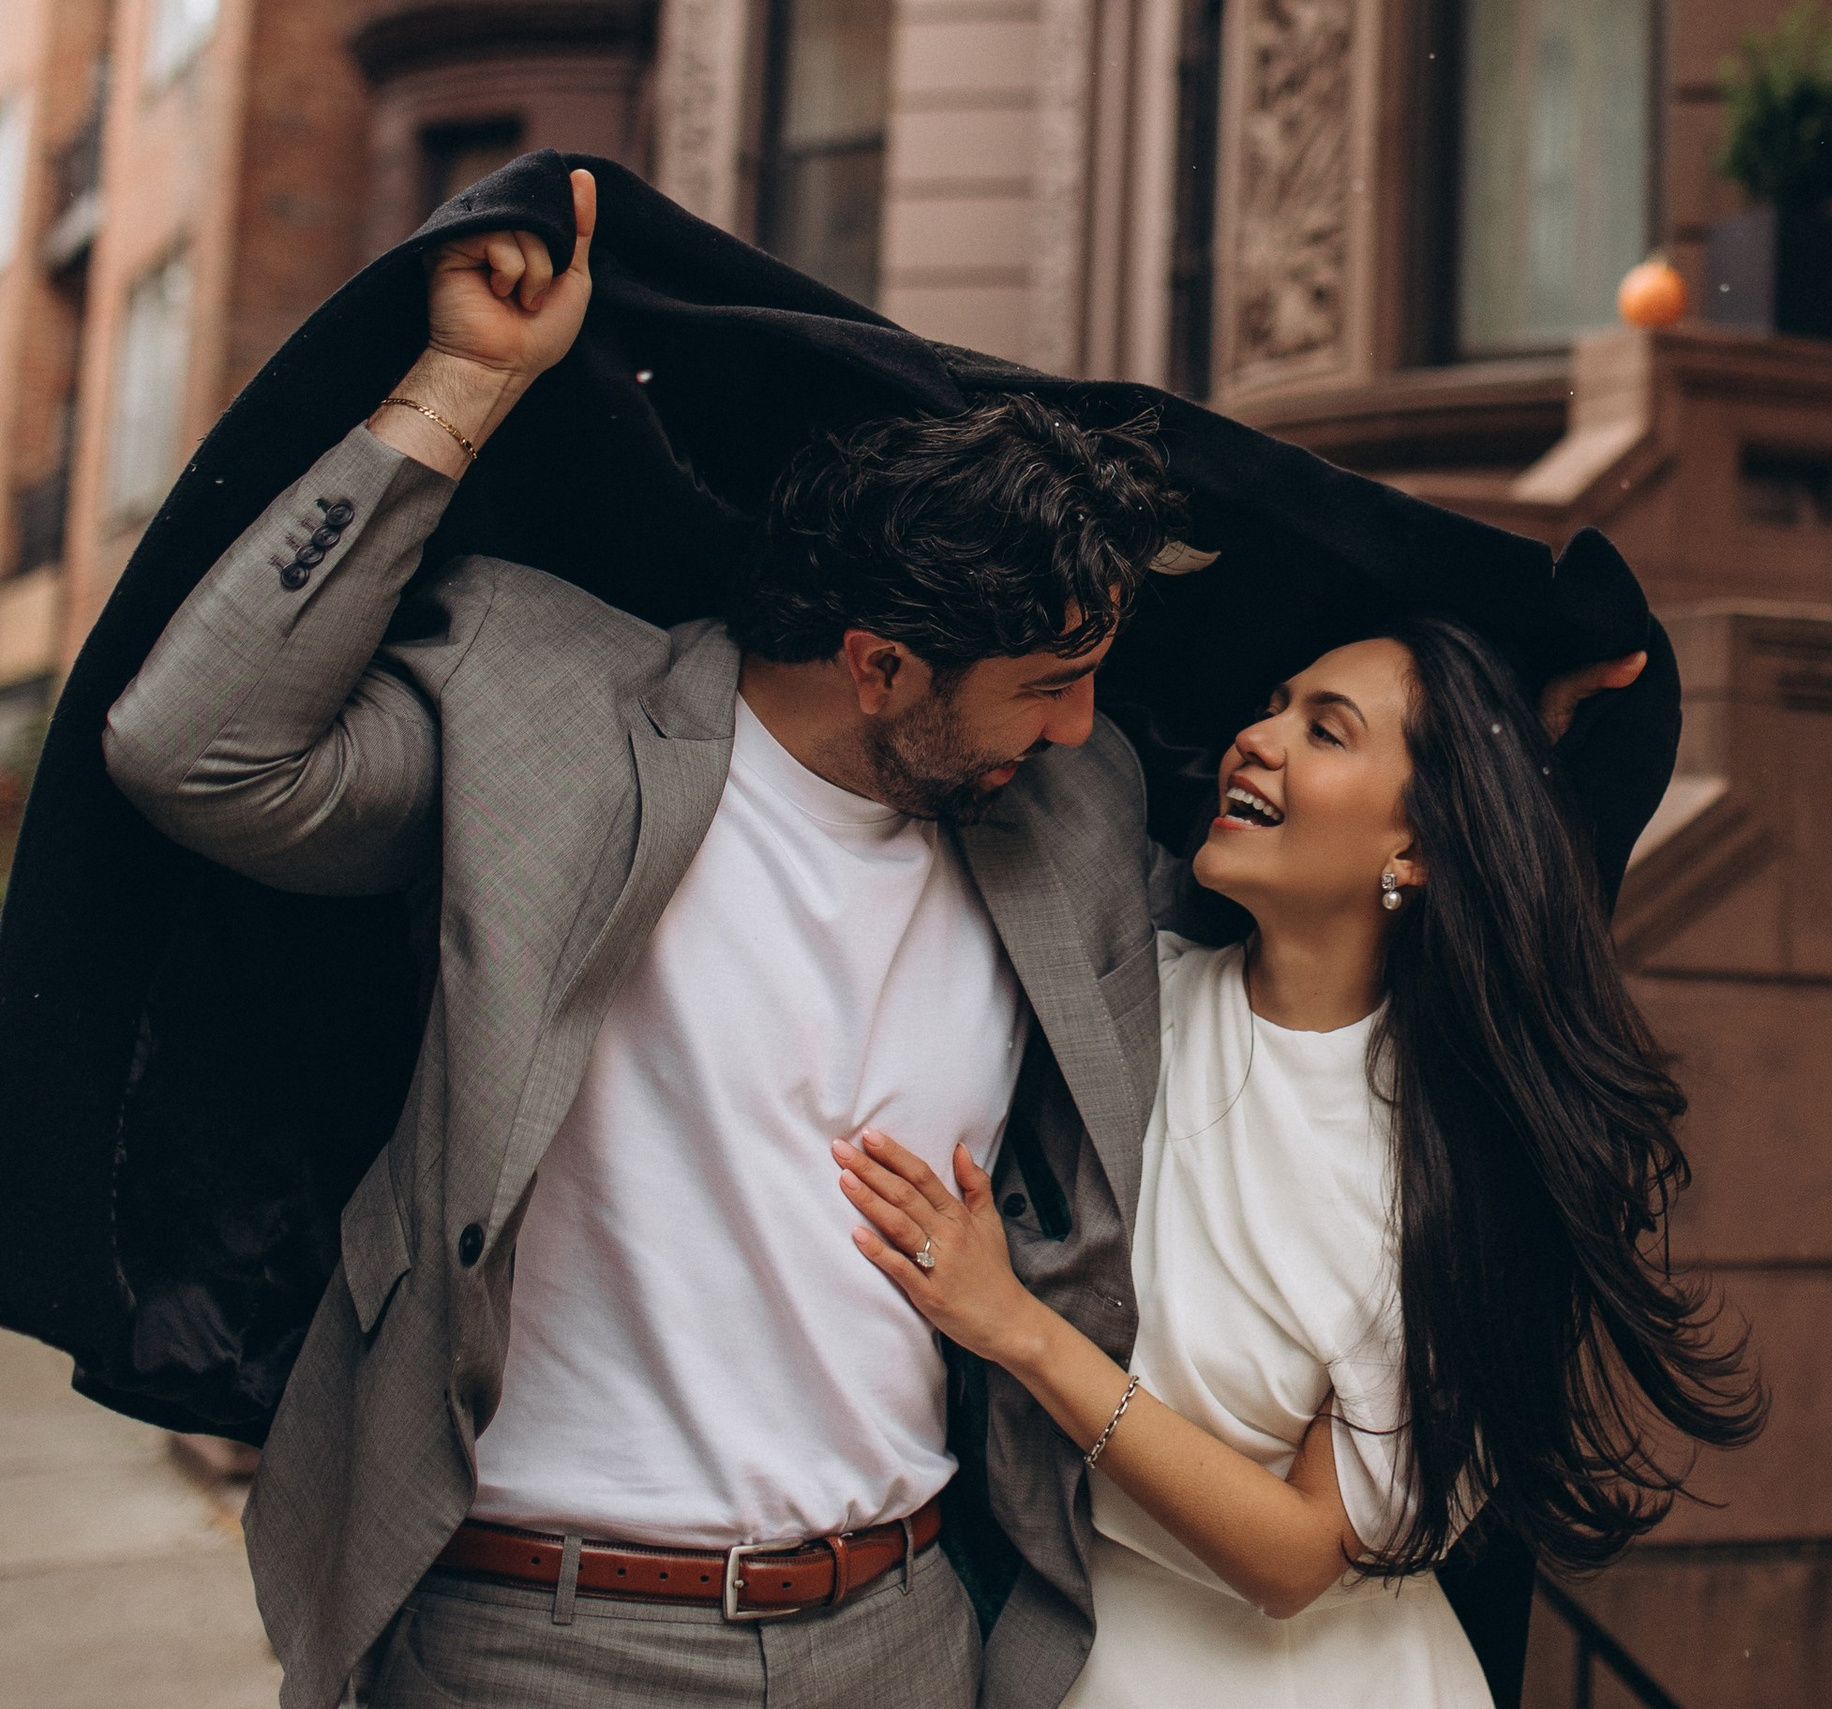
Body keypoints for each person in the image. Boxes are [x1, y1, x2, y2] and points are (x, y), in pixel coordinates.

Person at [91, 168, 1654, 1709]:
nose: (1087, 728)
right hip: (540, 1629)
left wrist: (1535, 732)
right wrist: (457, 388)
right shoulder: (549, 717)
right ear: (882, 665)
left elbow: (1361, 864)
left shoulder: (1074, 819)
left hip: (912, 1633)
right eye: (1048, 685)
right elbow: (193, 754)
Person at [834, 621, 1765, 1705]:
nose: (1255, 737)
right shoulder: (1136, 996)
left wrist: (1017, 1326)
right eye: (1272, 703)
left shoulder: (1455, 1165)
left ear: (1415, 850)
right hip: (1075, 1654)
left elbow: (1296, 1556)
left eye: (1324, 730)